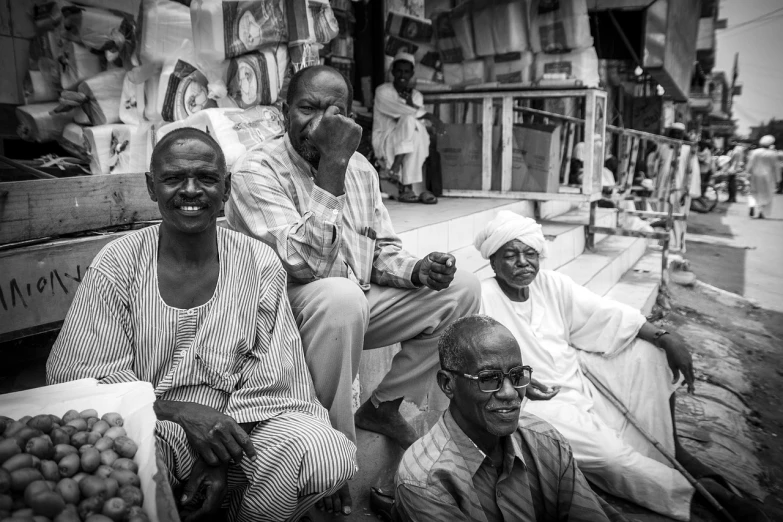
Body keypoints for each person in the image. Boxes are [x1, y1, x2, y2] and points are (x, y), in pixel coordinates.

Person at [47, 128, 356, 522]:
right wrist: (181, 413)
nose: (191, 190)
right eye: (174, 178)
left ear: (226, 188)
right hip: (156, 421)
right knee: (127, 454)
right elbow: (81, 377)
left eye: (207, 178)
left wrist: (219, 453)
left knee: (323, 452)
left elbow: (277, 381)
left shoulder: (258, 263)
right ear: (151, 186)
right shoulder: (118, 263)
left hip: (244, 425)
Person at [225, 65, 481, 514]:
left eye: (335, 111)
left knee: (462, 288)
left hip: (351, 303)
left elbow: (378, 249)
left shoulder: (361, 169)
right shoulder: (255, 171)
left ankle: (384, 407)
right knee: (340, 296)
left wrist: (418, 270)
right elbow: (305, 265)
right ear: (284, 111)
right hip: (282, 316)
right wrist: (333, 166)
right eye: (308, 108)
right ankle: (332, 457)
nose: (322, 123)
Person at [474, 211, 767, 522]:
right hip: (537, 404)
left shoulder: (552, 284)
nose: (523, 262)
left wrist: (664, 337)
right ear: (493, 262)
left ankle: (672, 448)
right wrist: (514, 382)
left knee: (648, 354)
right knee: (610, 456)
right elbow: (476, 360)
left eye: (530, 253)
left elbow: (604, 313)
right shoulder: (483, 298)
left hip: (581, 379)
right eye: (511, 255)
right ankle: (691, 495)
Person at [394, 315, 611, 522]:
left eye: (517, 375)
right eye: (488, 379)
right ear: (447, 384)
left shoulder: (547, 441)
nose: (510, 393)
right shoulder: (424, 481)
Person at [372, 51, 444, 204]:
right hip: (386, 138)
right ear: (392, 72)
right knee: (409, 120)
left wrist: (412, 103)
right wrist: (430, 116)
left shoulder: (416, 95)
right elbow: (402, 111)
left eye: (406, 71)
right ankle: (412, 185)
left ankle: (407, 184)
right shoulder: (383, 91)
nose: (402, 75)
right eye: (398, 70)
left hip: (405, 141)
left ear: (412, 73)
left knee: (415, 130)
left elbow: (418, 120)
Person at [746, 135, 778, 218]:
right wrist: (778, 179)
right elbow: (776, 167)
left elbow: (750, 164)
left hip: (755, 175)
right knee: (766, 194)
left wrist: (747, 174)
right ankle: (761, 212)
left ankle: (752, 205)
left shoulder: (755, 152)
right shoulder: (773, 154)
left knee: (753, 192)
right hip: (768, 177)